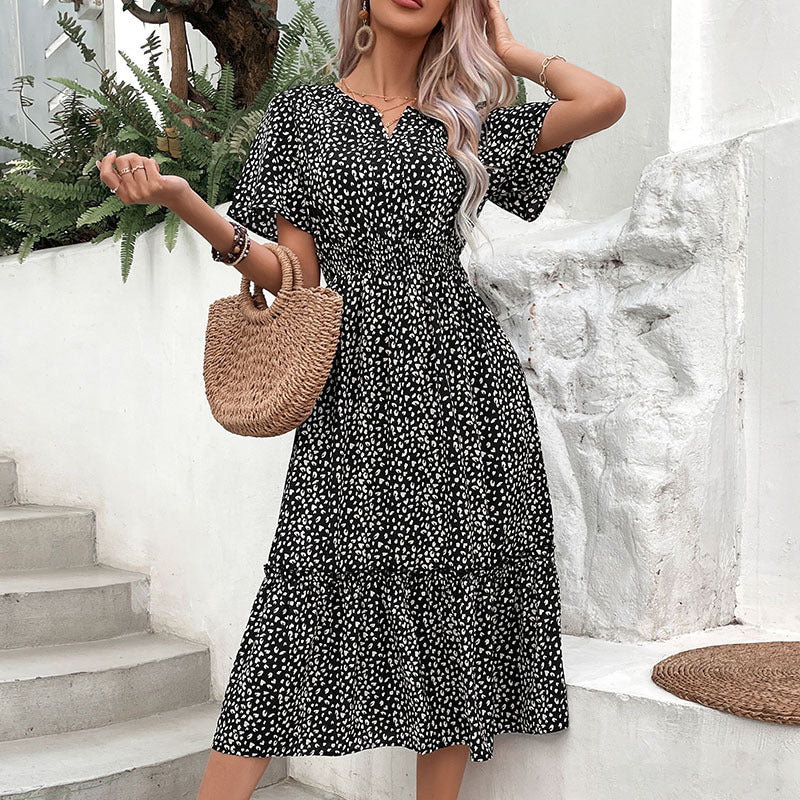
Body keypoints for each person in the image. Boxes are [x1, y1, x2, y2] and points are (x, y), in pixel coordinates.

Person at [96, 1, 624, 797]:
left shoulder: (468, 119)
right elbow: (297, 279)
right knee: (298, 595)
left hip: (464, 387)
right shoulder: (301, 115)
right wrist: (183, 202)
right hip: (352, 386)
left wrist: (509, 49)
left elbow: (603, 101)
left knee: (453, 601)